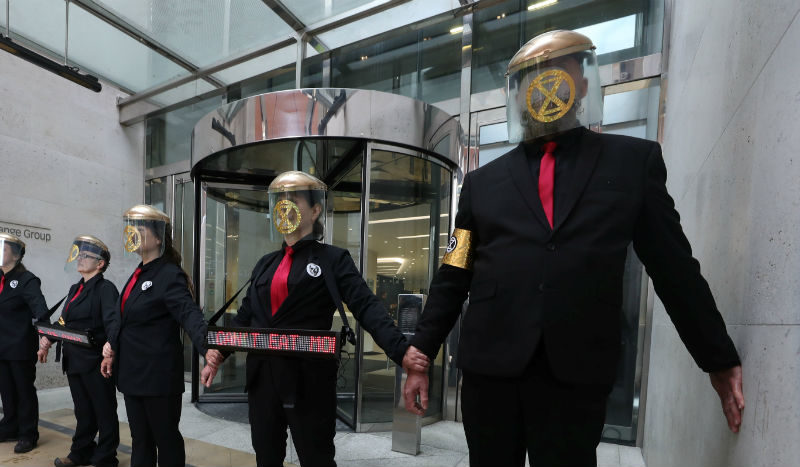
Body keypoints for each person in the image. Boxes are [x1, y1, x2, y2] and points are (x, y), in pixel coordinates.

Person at [401, 30, 745, 467]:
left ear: (583, 81)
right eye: (531, 79)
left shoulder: (632, 163)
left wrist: (717, 356)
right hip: (491, 369)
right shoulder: (482, 183)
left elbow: (673, 266)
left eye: (559, 71)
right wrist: (420, 356)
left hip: (576, 371)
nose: (544, 85)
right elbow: (454, 272)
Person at [207, 171, 426, 467]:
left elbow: (366, 306)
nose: (285, 206)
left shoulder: (332, 259)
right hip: (263, 382)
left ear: (315, 209)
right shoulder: (265, 264)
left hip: (308, 382)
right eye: (279, 200)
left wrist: (402, 352)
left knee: (316, 458)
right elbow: (246, 316)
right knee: (266, 456)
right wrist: (217, 355)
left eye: (294, 198)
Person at [99, 205, 224, 467]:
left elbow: (189, 313)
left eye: (140, 229)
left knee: (165, 440)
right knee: (140, 440)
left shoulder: (169, 274)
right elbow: (123, 319)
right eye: (131, 229)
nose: (132, 233)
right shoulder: (137, 274)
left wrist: (206, 345)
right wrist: (111, 348)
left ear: (158, 238)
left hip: (158, 377)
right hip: (133, 374)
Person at [40, 236, 120, 467]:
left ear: (100, 263)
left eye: (86, 256)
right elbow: (64, 322)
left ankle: (106, 457)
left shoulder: (106, 289)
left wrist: (110, 349)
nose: (80, 259)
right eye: (80, 254)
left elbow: (113, 323)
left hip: (96, 361)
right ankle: (80, 452)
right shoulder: (76, 288)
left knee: (104, 411)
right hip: (74, 359)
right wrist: (48, 339)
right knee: (83, 411)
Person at [0, 233, 52, 453]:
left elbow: (40, 309)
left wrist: (44, 336)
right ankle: (9, 428)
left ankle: (28, 434)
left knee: (23, 392)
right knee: (7, 391)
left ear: (16, 254)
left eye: (2, 248)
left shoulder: (27, 279)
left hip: (19, 346)